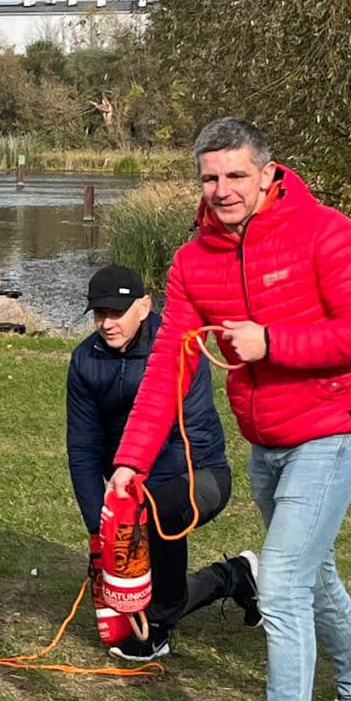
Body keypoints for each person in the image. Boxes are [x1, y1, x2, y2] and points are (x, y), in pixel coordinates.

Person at [107, 117, 351, 701]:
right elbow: (167, 368)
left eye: (236, 175)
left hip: (335, 430)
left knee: (285, 583)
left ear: (267, 174)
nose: (223, 189)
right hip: (267, 443)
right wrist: (131, 461)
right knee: (313, 572)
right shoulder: (192, 261)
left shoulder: (327, 233)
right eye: (210, 177)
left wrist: (273, 342)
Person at [66, 263, 260, 661]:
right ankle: (233, 576)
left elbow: (184, 437)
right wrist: (100, 532)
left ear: (144, 306)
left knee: (153, 515)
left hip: (199, 473)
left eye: (116, 312)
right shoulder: (84, 360)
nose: (106, 324)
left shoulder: (179, 347)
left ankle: (156, 627)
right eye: (99, 313)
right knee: (140, 545)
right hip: (129, 489)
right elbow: (83, 449)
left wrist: (131, 517)